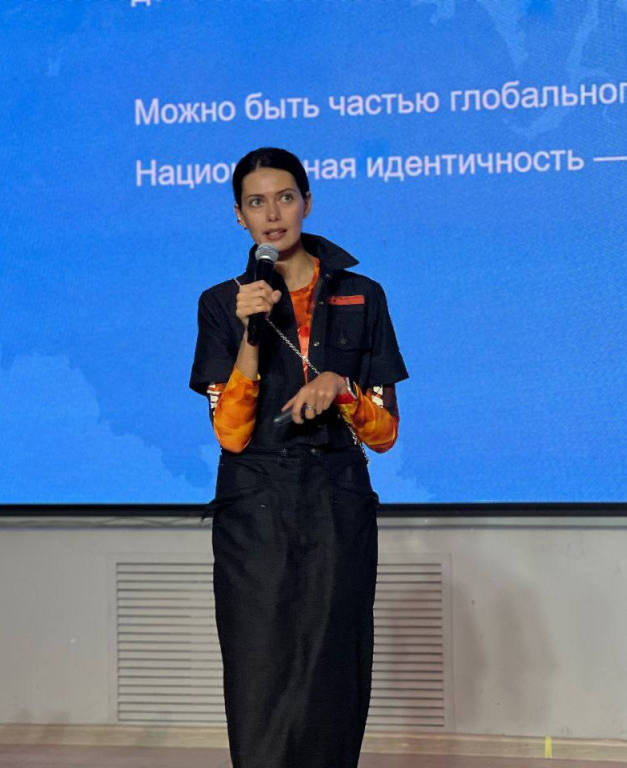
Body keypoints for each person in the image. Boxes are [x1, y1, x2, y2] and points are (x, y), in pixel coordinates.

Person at [189, 147, 408, 768]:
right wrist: (250, 338)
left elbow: (386, 434)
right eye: (256, 202)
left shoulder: (363, 295)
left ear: (307, 203)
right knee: (259, 668)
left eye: (285, 198)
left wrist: (341, 388)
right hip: (255, 503)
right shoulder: (222, 303)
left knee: (332, 667)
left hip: (337, 498)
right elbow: (231, 433)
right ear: (239, 216)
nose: (272, 214)